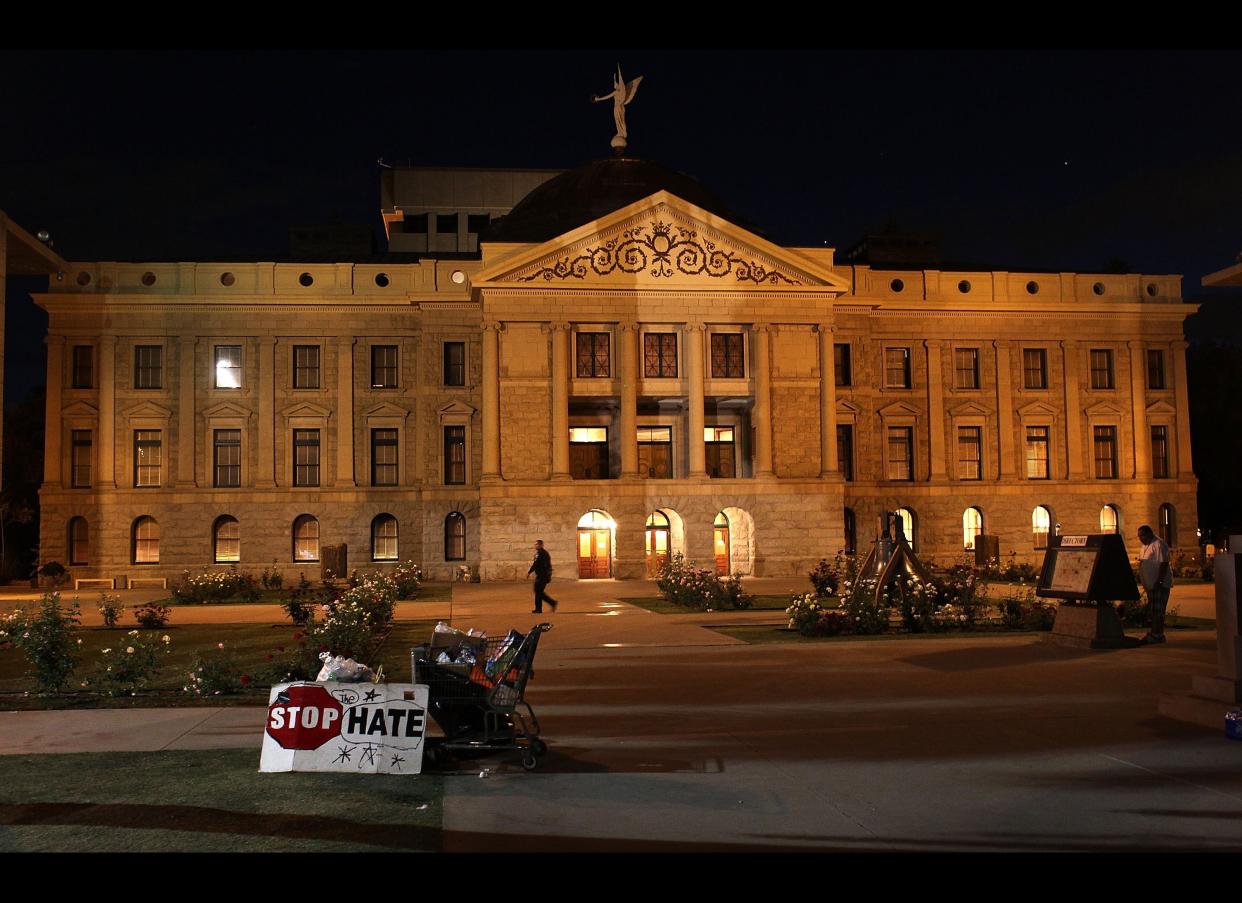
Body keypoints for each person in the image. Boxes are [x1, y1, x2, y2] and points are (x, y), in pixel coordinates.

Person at [1137, 524, 1173, 644]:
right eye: (1139, 536)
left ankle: (1157, 634)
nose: (1140, 538)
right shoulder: (1144, 546)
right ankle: (1156, 633)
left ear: (1149, 534)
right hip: (1151, 586)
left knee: (1158, 610)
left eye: (1142, 535)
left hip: (1159, 585)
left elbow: (1163, 563)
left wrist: (1159, 581)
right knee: (1154, 610)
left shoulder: (1158, 544)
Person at [527, 539, 558, 614]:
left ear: (540, 545)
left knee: (538, 591)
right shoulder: (539, 553)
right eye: (535, 544)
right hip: (540, 575)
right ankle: (544, 606)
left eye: (537, 544)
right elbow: (535, 564)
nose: (535, 546)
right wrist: (529, 572)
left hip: (543, 576)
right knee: (538, 592)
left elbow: (544, 565)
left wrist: (546, 575)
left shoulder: (543, 554)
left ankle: (543, 607)